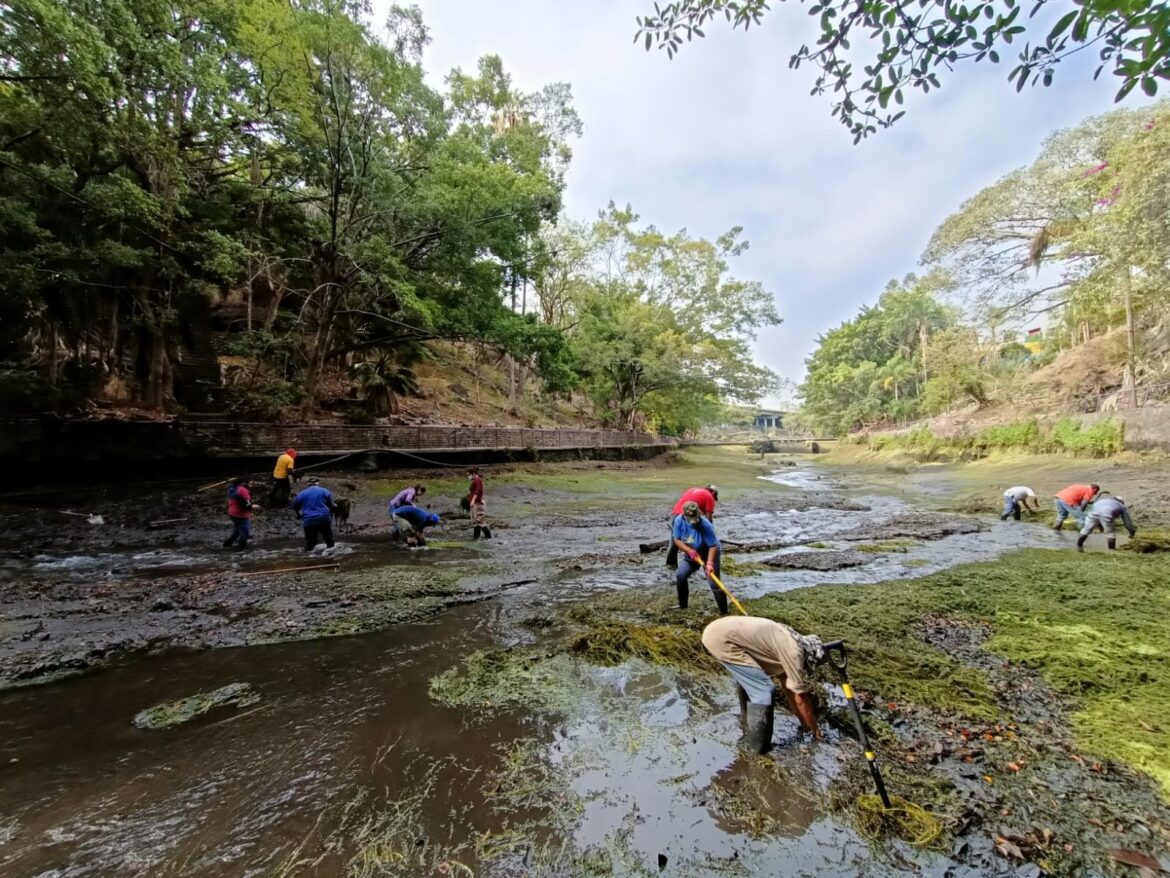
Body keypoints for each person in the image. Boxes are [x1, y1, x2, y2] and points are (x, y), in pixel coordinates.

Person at [701, 615, 823, 753]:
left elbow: (788, 687)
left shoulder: (790, 637)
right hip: (722, 640)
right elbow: (801, 698)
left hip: (719, 629)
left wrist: (803, 723)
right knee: (763, 689)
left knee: (751, 679)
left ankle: (746, 719)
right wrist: (816, 731)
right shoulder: (795, 654)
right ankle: (757, 749)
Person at [672, 500, 726, 614]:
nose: (693, 522)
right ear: (684, 515)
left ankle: (724, 612)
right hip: (692, 553)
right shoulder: (678, 521)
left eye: (695, 519)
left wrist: (710, 563)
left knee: (714, 583)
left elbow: (713, 545)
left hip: (709, 553)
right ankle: (683, 605)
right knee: (680, 575)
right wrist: (689, 550)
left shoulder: (705, 524)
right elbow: (676, 540)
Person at [666, 485, 719, 568]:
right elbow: (709, 519)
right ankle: (694, 563)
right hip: (686, 518)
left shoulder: (692, 489)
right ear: (714, 493)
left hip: (675, 514)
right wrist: (710, 535)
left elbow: (684, 501)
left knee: (675, 542)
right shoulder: (710, 497)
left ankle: (671, 566)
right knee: (691, 540)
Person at [292, 477, 337, 552]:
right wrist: (335, 506)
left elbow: (295, 506)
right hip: (324, 518)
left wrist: (299, 515)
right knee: (329, 542)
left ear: (308, 484)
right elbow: (331, 504)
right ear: (318, 483)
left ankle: (310, 559)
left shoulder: (302, 493)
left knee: (310, 544)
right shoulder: (324, 491)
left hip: (309, 520)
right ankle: (330, 557)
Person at [223, 478, 255, 549]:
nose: (251, 485)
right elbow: (247, 504)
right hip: (240, 514)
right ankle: (242, 550)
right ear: (244, 483)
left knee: (238, 529)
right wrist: (254, 506)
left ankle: (227, 543)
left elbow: (237, 501)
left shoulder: (232, 488)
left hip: (232, 513)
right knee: (245, 532)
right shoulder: (243, 490)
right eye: (250, 483)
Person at [468, 467, 491, 539]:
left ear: (473, 473)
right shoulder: (475, 481)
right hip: (476, 503)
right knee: (476, 522)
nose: (468, 476)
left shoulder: (477, 480)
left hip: (478, 504)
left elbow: (478, 491)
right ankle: (476, 537)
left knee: (480, 522)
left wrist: (473, 500)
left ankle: (486, 537)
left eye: (469, 474)